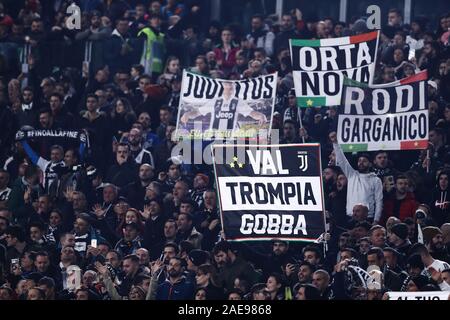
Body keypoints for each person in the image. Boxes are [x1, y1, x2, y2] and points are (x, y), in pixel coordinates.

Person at [333, 142, 383, 224]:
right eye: (359, 160)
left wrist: (376, 220)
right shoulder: (351, 175)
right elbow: (342, 160)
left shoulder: (376, 180)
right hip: (350, 217)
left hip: (368, 218)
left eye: (364, 161)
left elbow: (379, 201)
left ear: (370, 164)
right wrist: (335, 143)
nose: (361, 163)